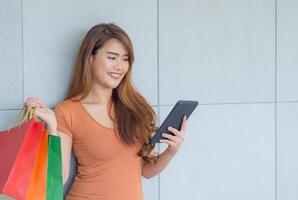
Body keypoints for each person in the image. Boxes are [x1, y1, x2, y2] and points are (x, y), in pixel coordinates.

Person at [24, 23, 187, 200]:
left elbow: (146, 171)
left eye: (125, 59)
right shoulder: (68, 111)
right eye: (112, 57)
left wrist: (171, 151)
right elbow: (57, 180)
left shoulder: (135, 108)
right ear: (90, 58)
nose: (120, 66)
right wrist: (52, 126)